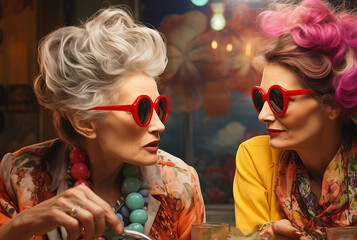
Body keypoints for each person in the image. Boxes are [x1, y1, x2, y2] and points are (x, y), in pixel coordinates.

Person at [0, 7, 205, 240]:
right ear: (84, 121)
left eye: (160, 108)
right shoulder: (19, 174)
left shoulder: (180, 183)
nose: (159, 125)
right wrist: (23, 223)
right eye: (142, 109)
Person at [233, 0, 357, 239]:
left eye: (278, 98)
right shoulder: (255, 159)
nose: (263, 114)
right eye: (260, 97)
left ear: (332, 104)